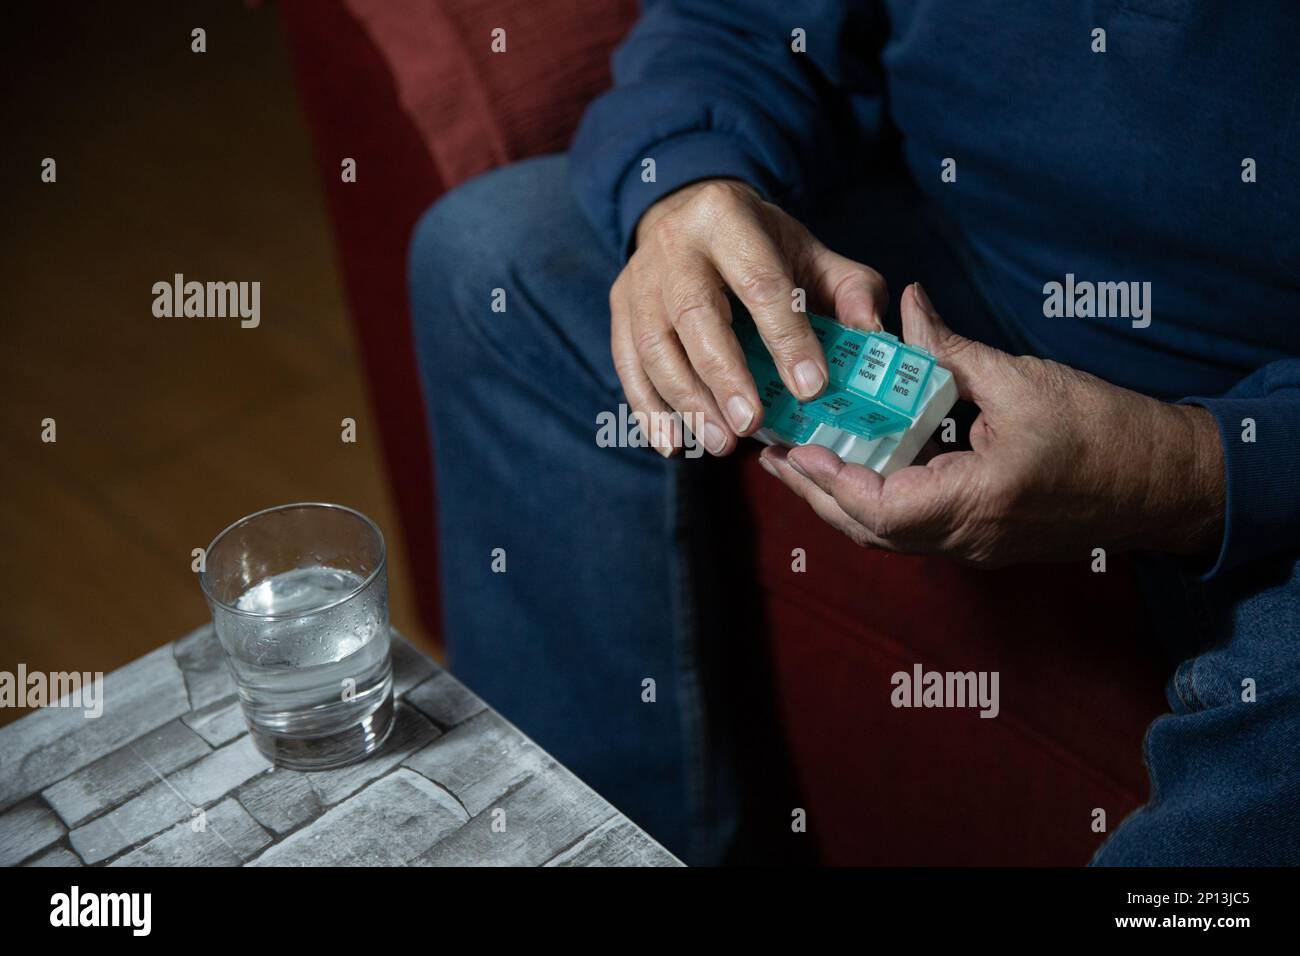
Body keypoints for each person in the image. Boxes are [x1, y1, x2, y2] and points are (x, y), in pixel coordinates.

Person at [408, 1, 1300, 865]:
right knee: (496, 255)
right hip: (972, 261)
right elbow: (738, 22)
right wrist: (688, 181)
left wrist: (1183, 467)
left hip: (1269, 415)